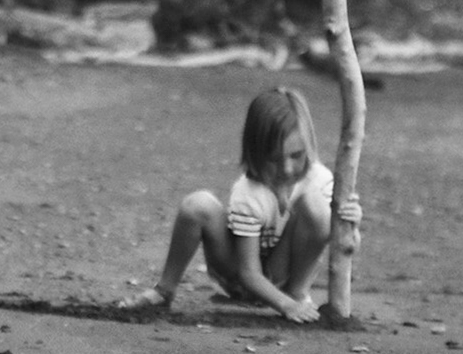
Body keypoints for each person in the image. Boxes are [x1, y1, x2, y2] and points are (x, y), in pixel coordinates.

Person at [127, 84, 332, 324]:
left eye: (296, 156)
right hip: (242, 278)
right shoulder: (249, 193)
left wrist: (350, 221)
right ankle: (163, 291)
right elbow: (248, 273)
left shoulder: (320, 179)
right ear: (256, 151)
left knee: (317, 206)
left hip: (285, 277)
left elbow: (340, 242)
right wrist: (285, 306)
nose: (287, 169)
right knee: (197, 204)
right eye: (274, 159)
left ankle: (298, 293)